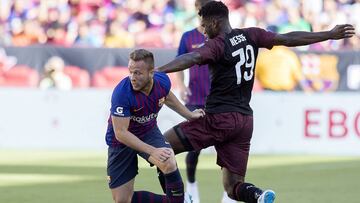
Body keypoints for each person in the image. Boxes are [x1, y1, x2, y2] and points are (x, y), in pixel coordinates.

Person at [155, 2, 355, 203]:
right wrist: (328, 34)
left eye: (205, 26)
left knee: (161, 148)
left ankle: (181, 200)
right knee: (233, 188)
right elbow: (287, 39)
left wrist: (157, 72)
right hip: (243, 121)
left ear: (215, 22)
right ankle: (258, 195)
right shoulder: (251, 35)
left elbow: (192, 57)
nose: (204, 31)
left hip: (218, 118)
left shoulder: (217, 44)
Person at [106, 49, 205, 203]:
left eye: (138, 73)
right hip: (121, 142)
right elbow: (121, 133)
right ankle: (179, 200)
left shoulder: (162, 81)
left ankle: (182, 201)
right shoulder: (122, 93)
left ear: (151, 73)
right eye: (130, 72)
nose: (132, 77)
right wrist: (152, 150)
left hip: (147, 132)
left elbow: (167, 96)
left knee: (168, 161)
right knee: (123, 200)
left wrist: (189, 115)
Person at [175, 0, 235, 203]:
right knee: (194, 149)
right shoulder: (188, 36)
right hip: (195, 100)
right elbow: (180, 62)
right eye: (199, 10)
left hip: (219, 101)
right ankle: (191, 187)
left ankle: (229, 193)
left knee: (225, 147)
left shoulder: (223, 38)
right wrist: (182, 86)